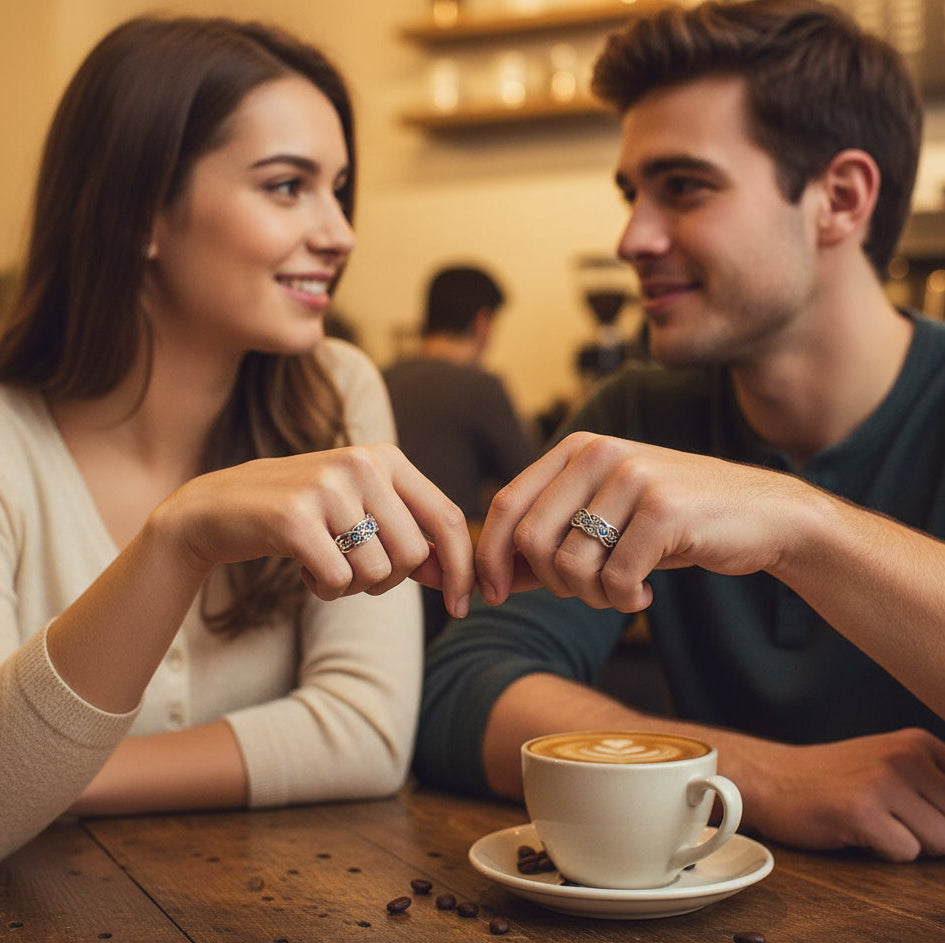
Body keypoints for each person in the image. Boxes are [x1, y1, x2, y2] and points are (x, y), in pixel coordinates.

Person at [416, 0, 945, 864]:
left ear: (839, 199)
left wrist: (795, 523)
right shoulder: (636, 418)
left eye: (684, 187)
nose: (632, 237)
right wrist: (759, 777)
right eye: (631, 194)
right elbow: (459, 693)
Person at [0, 15, 476, 862]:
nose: (339, 232)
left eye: (339, 187)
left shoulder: (337, 390)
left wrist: (64, 775)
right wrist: (176, 537)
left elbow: (365, 732)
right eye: (287, 186)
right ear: (136, 212)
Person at [383, 264, 538, 641]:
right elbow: (528, 481)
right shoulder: (480, 386)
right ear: (483, 322)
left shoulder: (379, 377)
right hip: (442, 582)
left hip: (377, 573)